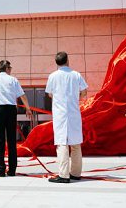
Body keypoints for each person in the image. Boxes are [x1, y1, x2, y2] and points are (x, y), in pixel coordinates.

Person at [46, 52, 88, 184]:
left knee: (62, 143)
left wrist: (59, 99)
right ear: (67, 61)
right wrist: (75, 99)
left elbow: (50, 94)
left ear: (56, 63)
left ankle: (64, 175)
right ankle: (75, 173)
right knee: (75, 143)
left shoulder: (52, 76)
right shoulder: (76, 75)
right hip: (74, 112)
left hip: (60, 114)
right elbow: (84, 91)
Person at [0, 60, 32, 177]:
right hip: (11, 110)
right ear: (6, 68)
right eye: (10, 68)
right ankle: (12, 170)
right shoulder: (13, 80)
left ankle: (0, 169)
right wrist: (28, 108)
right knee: (11, 140)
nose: (11, 70)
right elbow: (22, 95)